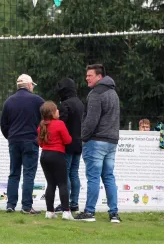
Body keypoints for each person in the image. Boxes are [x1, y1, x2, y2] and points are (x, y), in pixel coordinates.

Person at [75, 64, 121, 223]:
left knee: (93, 177)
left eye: (90, 75)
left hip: (96, 141)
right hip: (112, 141)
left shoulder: (96, 93)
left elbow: (91, 120)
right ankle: (114, 214)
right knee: (109, 177)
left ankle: (89, 212)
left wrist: (83, 137)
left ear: (99, 77)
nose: (87, 78)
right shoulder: (113, 92)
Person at [0, 74, 45, 215]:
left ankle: (10, 205)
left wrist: (11, 137)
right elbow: (47, 119)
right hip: (31, 141)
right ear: (29, 85)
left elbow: (3, 125)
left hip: (14, 141)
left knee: (14, 173)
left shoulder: (9, 101)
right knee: (28, 174)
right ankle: (26, 206)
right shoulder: (37, 100)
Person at [37, 101, 74, 220]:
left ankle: (50, 211)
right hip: (57, 155)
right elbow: (68, 140)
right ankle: (66, 212)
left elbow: (41, 144)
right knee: (62, 184)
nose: (58, 111)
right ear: (52, 113)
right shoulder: (60, 124)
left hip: (44, 156)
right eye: (56, 109)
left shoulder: (41, 126)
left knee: (51, 184)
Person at [54, 78, 84, 213]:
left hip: (66, 144)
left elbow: (61, 125)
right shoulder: (81, 103)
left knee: (64, 174)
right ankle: (74, 203)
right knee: (74, 174)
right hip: (79, 143)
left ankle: (65, 204)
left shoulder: (65, 105)